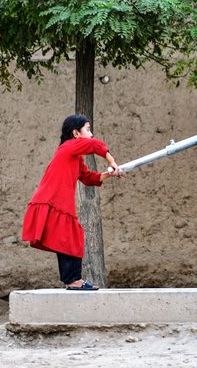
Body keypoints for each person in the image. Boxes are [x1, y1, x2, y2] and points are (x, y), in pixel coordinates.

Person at [22, 114, 121, 290]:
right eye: (88, 130)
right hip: (52, 200)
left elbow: (88, 177)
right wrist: (112, 161)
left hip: (56, 201)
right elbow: (94, 145)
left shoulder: (74, 156)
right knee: (69, 239)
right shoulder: (68, 147)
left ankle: (72, 281)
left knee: (71, 238)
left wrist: (109, 174)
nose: (91, 134)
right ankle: (73, 281)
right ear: (76, 133)